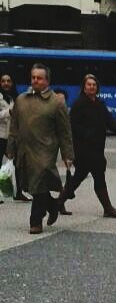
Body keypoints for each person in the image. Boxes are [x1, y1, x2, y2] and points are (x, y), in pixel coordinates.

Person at [6, 63, 74, 234]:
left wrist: (68, 155)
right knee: (31, 185)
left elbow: (65, 132)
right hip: (25, 149)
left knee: (38, 181)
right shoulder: (21, 99)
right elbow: (14, 126)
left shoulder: (57, 102)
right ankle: (52, 206)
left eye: (39, 78)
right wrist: (11, 147)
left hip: (45, 150)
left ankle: (35, 222)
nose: (35, 80)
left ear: (47, 80)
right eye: (33, 77)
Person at [63, 73, 116, 218]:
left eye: (94, 85)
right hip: (83, 149)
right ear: (84, 87)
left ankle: (58, 202)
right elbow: (72, 125)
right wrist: (87, 133)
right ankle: (108, 208)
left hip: (96, 148)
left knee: (78, 178)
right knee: (97, 177)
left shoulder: (99, 103)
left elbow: (109, 119)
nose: (92, 87)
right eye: (89, 85)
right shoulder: (79, 104)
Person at [0, 74, 30, 201]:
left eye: (9, 81)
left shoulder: (15, 97)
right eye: (3, 81)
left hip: (13, 136)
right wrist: (9, 112)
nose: (6, 83)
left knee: (18, 164)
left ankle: (19, 193)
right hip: (1, 135)